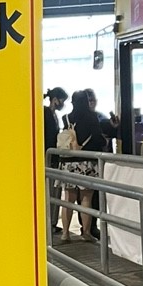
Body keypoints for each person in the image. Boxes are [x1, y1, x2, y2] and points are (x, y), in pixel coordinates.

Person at [61, 90, 109, 243]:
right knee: (86, 198)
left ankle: (65, 233)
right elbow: (98, 138)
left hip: (68, 161)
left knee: (68, 199)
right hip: (86, 161)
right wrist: (104, 142)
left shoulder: (66, 118)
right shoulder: (92, 117)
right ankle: (86, 233)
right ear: (86, 102)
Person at [44, 88, 68, 233]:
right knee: (50, 190)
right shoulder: (46, 113)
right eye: (62, 101)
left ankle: (52, 222)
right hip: (48, 156)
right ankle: (49, 222)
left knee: (54, 190)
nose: (62, 104)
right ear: (55, 100)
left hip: (52, 157)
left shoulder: (52, 114)